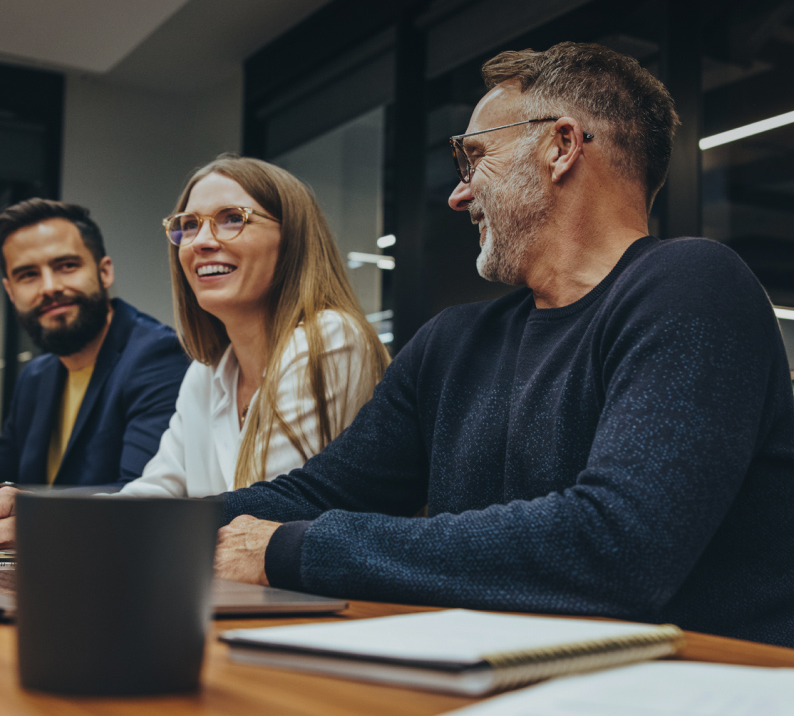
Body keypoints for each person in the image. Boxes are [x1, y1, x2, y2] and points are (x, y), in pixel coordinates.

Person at [211, 43, 794, 648]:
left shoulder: (694, 285)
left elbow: (616, 546)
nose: (457, 196)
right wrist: (157, 527)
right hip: (509, 677)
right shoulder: (452, 343)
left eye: (474, 158)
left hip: (703, 686)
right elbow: (316, 493)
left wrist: (296, 549)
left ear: (561, 146)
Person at [0, 157, 391, 547]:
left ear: (292, 238)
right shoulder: (207, 372)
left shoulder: (330, 338)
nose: (200, 242)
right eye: (188, 225)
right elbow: (152, 493)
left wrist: (52, 522)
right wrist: (36, 512)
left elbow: (267, 515)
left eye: (231, 219)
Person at [0, 198, 189, 490]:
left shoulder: (158, 357)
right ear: (10, 291)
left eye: (66, 266)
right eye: (28, 275)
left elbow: (139, 499)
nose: (49, 287)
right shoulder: (35, 376)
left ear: (104, 271)